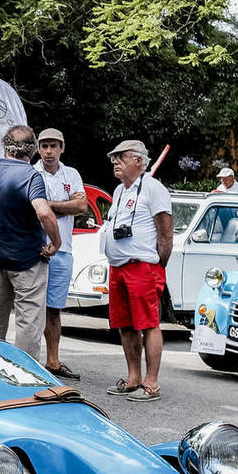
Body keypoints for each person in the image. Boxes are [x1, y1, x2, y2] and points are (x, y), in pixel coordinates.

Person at [0, 125, 60, 361]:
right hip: (28, 260)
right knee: (28, 320)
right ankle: (23, 373)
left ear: (5, 146)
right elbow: (44, 212)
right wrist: (56, 242)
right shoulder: (31, 176)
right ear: (32, 151)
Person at [100, 139, 173, 401]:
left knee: (149, 324)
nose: (115, 162)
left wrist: (157, 264)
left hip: (143, 266)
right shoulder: (120, 191)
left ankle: (151, 382)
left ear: (139, 161)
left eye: (121, 157)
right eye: (114, 158)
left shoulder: (154, 189)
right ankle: (133, 377)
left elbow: (165, 232)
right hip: (119, 267)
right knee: (125, 325)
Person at [32, 128, 89, 379]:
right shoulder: (32, 172)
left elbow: (82, 206)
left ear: (62, 148)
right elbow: (31, 209)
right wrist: (65, 206)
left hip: (63, 250)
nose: (48, 151)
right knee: (31, 307)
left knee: (54, 309)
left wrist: (48, 204)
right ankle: (29, 360)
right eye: (44, 146)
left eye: (53, 146)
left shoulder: (72, 174)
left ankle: (53, 361)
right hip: (36, 248)